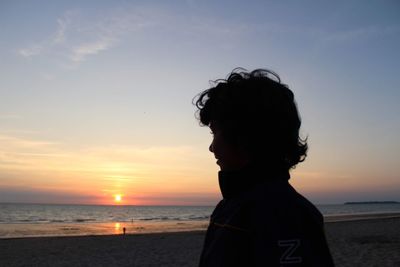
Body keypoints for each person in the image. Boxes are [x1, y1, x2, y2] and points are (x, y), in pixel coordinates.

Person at [194, 68, 334, 266]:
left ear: (245, 137)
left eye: (215, 133)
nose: (211, 148)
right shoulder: (230, 206)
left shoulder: (285, 214)